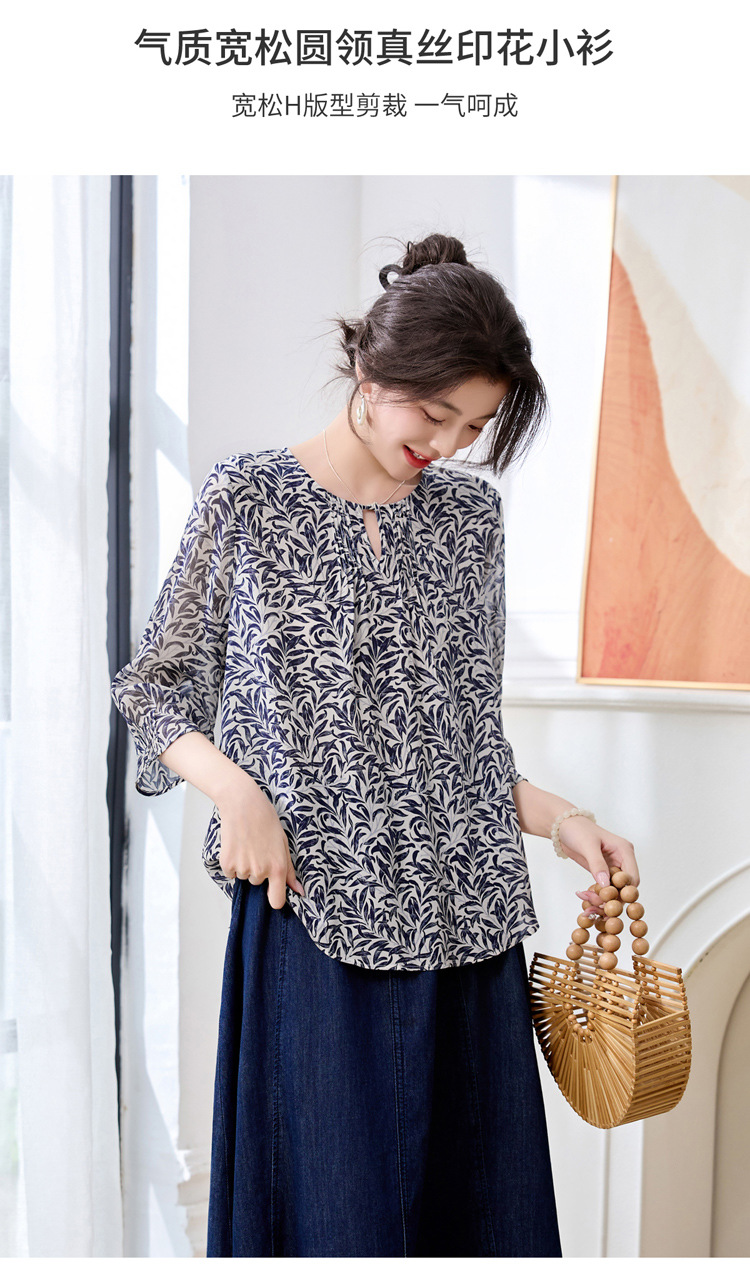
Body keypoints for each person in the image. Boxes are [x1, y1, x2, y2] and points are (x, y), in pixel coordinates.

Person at [111, 233, 639, 1258]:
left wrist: (567, 820)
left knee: (474, 1221)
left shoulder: (470, 521)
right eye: (434, 412)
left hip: (467, 923)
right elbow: (155, 685)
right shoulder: (249, 498)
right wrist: (238, 793)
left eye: (474, 425)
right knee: (330, 1217)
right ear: (370, 367)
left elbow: (463, 740)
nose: (448, 442)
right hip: (315, 914)